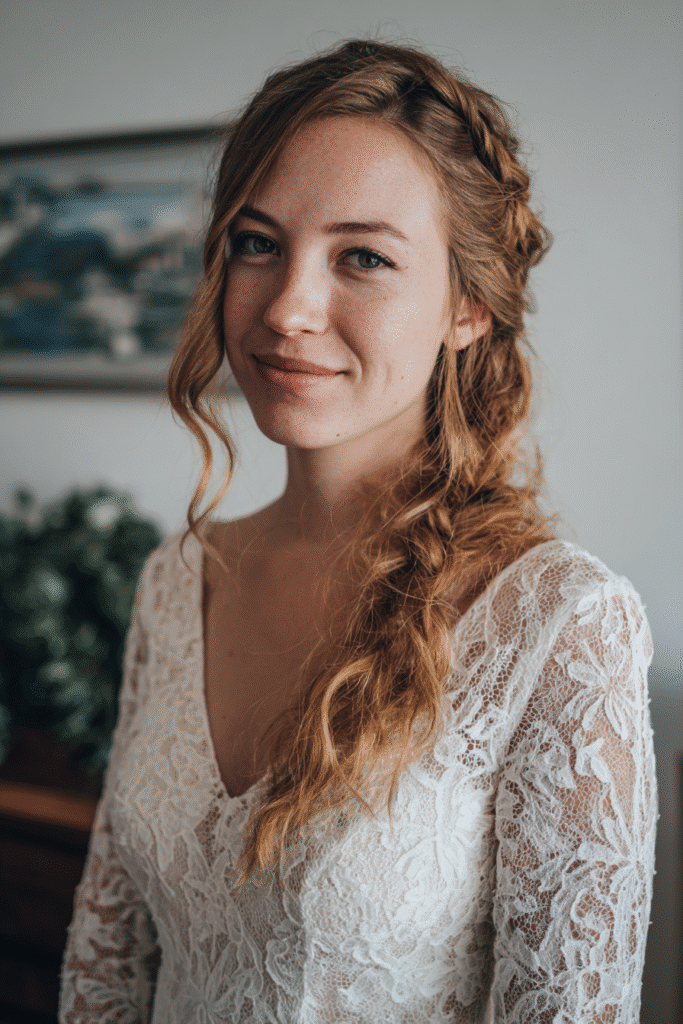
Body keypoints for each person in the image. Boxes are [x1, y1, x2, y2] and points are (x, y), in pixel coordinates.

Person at [59, 39, 657, 1024]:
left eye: (363, 257)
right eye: (257, 243)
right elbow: (109, 960)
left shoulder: (559, 625)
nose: (287, 308)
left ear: (468, 305)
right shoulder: (179, 577)